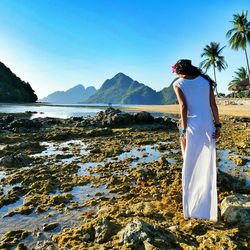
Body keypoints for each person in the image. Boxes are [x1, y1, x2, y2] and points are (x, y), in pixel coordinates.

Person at [172, 59, 221, 222]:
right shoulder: (205, 81)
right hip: (207, 125)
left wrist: (184, 130)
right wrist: (218, 126)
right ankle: (207, 209)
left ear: (179, 71)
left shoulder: (178, 83)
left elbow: (183, 107)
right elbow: (213, 105)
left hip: (191, 126)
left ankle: (191, 208)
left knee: (189, 163)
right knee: (207, 163)